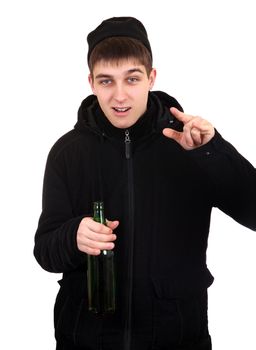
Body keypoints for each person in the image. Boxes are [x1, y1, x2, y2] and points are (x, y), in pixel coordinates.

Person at [34, 16, 256, 350]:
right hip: (85, 339)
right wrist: (72, 236)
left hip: (178, 338)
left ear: (151, 78)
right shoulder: (67, 153)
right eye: (107, 81)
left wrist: (213, 152)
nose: (120, 96)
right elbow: (45, 252)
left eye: (132, 79)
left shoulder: (191, 144)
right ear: (91, 82)